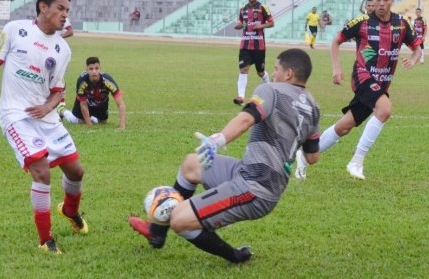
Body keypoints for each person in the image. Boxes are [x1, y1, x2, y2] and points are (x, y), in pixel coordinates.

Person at [129, 48, 321, 263]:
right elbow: (312, 157)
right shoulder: (313, 107)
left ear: (289, 74)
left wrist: (217, 140)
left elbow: (246, 119)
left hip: (254, 188)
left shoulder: (272, 90)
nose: (272, 74)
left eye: (276, 69)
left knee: (179, 220)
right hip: (253, 174)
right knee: (191, 164)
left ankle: (235, 256)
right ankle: (157, 233)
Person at [0, 0, 88, 255]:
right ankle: (45, 240)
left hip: (46, 117)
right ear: (43, 7)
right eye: (60, 8)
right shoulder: (14, 29)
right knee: (42, 172)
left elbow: (58, 92)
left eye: (67, 10)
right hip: (15, 115)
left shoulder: (62, 48)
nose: (65, 15)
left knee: (76, 171)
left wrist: (47, 107)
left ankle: (70, 211)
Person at [295, 0, 422, 181]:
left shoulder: (402, 23)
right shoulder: (362, 22)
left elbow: (417, 49)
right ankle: (356, 161)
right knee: (385, 109)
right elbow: (336, 41)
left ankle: (304, 156)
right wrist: (337, 68)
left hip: (382, 83)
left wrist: (413, 59)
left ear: (392, 0)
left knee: (345, 126)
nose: (381, 4)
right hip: (362, 77)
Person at [232, 0, 275, 106]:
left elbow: (272, 23)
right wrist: (238, 25)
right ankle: (241, 97)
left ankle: (268, 85)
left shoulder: (263, 8)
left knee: (260, 72)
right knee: (243, 69)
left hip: (258, 46)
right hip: (245, 45)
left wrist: (260, 26)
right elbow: (242, 23)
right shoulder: (243, 9)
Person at [57, 57, 126, 130]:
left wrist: (122, 126)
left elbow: (120, 104)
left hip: (101, 103)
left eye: (96, 68)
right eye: (91, 69)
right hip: (86, 102)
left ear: (100, 69)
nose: (94, 71)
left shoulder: (108, 81)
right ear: (86, 70)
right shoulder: (82, 81)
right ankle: (62, 110)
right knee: (76, 121)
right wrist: (89, 125)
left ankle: (92, 117)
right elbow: (83, 104)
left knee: (103, 122)